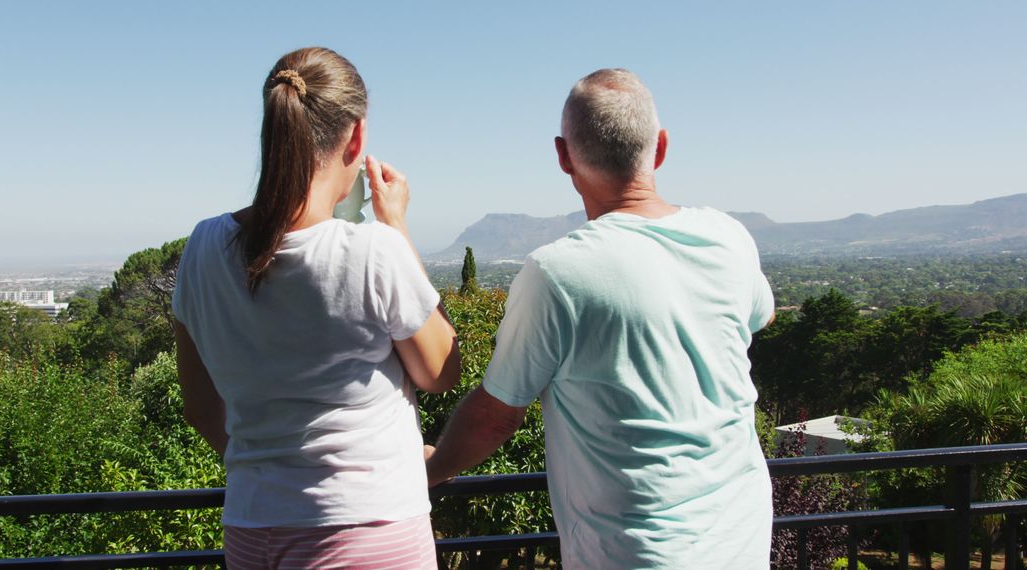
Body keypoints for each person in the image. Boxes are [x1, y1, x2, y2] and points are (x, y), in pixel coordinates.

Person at [425, 69, 775, 568]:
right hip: (742, 538)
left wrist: (435, 466)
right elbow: (763, 314)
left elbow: (498, 415)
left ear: (563, 155)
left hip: (637, 553)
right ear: (661, 148)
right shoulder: (728, 236)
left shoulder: (558, 273)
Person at [173, 47, 460, 570]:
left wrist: (276, 472)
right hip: (370, 529)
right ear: (356, 137)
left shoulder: (203, 247)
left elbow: (199, 406)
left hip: (252, 528)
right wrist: (396, 226)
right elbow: (441, 370)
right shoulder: (372, 250)